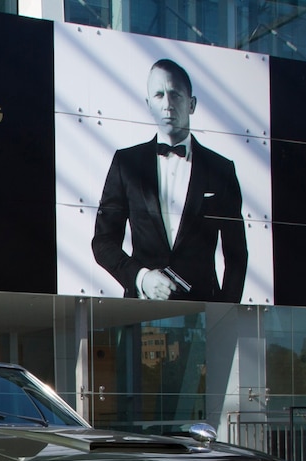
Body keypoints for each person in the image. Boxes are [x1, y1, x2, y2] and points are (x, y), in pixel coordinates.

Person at [92, 58, 248, 302]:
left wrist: (227, 311)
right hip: (139, 310)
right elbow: (103, 242)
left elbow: (236, 253)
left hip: (204, 311)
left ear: (191, 104)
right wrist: (141, 277)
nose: (167, 104)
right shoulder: (126, 163)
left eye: (175, 95)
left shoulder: (221, 169)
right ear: (148, 104)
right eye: (158, 95)